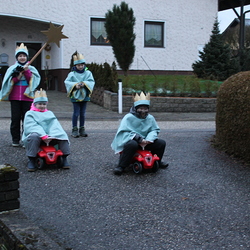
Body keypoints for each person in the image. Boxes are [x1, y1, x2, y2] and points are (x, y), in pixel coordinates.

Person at [111, 92, 168, 175]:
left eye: (145, 108)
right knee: (132, 145)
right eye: (141, 108)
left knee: (161, 143)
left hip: (146, 141)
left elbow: (154, 130)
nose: (143, 111)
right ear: (136, 108)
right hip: (133, 140)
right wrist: (139, 139)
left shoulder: (150, 118)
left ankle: (158, 161)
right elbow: (124, 132)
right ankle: (122, 166)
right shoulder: (128, 117)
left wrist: (148, 139)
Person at [0, 43, 41, 147]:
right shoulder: (12, 68)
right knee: (15, 119)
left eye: (24, 56)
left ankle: (25, 139)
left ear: (27, 57)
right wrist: (16, 78)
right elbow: (8, 81)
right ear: (17, 57)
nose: (22, 57)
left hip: (27, 97)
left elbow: (33, 81)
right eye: (20, 56)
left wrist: (27, 72)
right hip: (15, 97)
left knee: (26, 119)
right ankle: (15, 139)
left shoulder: (31, 68)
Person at [22, 89, 70, 172]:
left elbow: (54, 125)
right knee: (34, 136)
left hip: (49, 136)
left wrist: (53, 135)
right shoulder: (30, 114)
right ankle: (31, 159)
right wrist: (43, 135)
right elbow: (32, 126)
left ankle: (64, 157)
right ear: (35, 104)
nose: (42, 106)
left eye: (44, 104)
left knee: (62, 135)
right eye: (40, 104)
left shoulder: (49, 113)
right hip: (37, 136)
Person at [64, 52, 95, 138]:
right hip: (75, 96)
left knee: (83, 113)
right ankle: (74, 129)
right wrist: (75, 85)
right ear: (75, 66)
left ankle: (82, 128)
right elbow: (67, 82)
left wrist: (84, 83)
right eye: (78, 65)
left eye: (82, 65)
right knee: (76, 113)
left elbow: (91, 81)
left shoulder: (88, 73)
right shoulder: (72, 74)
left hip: (84, 96)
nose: (80, 67)